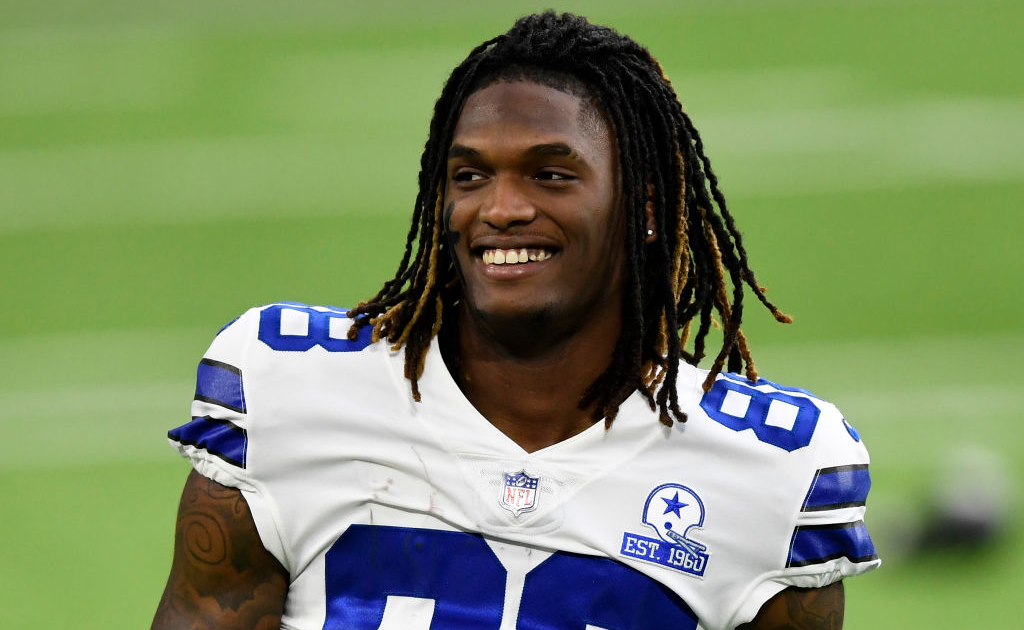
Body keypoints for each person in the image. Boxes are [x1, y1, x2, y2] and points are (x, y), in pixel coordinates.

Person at [152, 11, 878, 630]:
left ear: (647, 208)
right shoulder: (291, 390)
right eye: (470, 176)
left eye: (549, 174)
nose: (499, 209)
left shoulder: (770, 474)